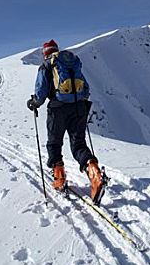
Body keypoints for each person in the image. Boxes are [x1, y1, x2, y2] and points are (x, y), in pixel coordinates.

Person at [26, 39, 104, 203]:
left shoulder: (47, 65)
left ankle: (59, 179)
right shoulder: (72, 64)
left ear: (45, 53)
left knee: (54, 143)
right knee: (79, 145)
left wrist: (33, 103)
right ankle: (95, 174)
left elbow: (40, 92)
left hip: (58, 109)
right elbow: (86, 89)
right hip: (79, 108)